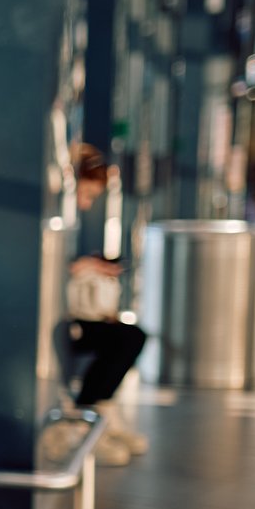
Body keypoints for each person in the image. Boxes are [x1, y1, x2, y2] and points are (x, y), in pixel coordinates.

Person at [61, 144, 149, 465]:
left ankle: (98, 413)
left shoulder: (66, 226)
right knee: (125, 339)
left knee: (131, 336)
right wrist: (81, 267)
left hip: (69, 316)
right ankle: (88, 415)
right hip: (63, 321)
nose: (86, 204)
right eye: (84, 195)